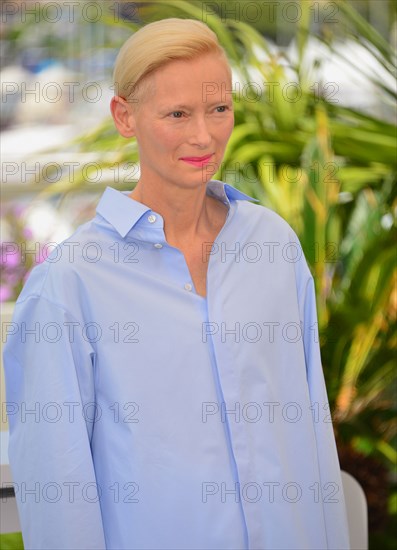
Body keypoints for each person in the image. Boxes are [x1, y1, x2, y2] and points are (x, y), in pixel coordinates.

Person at [4, 18, 350, 550]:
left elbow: (312, 433)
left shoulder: (273, 247)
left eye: (219, 109)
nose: (204, 136)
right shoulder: (68, 287)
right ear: (124, 116)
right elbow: (59, 495)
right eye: (177, 114)